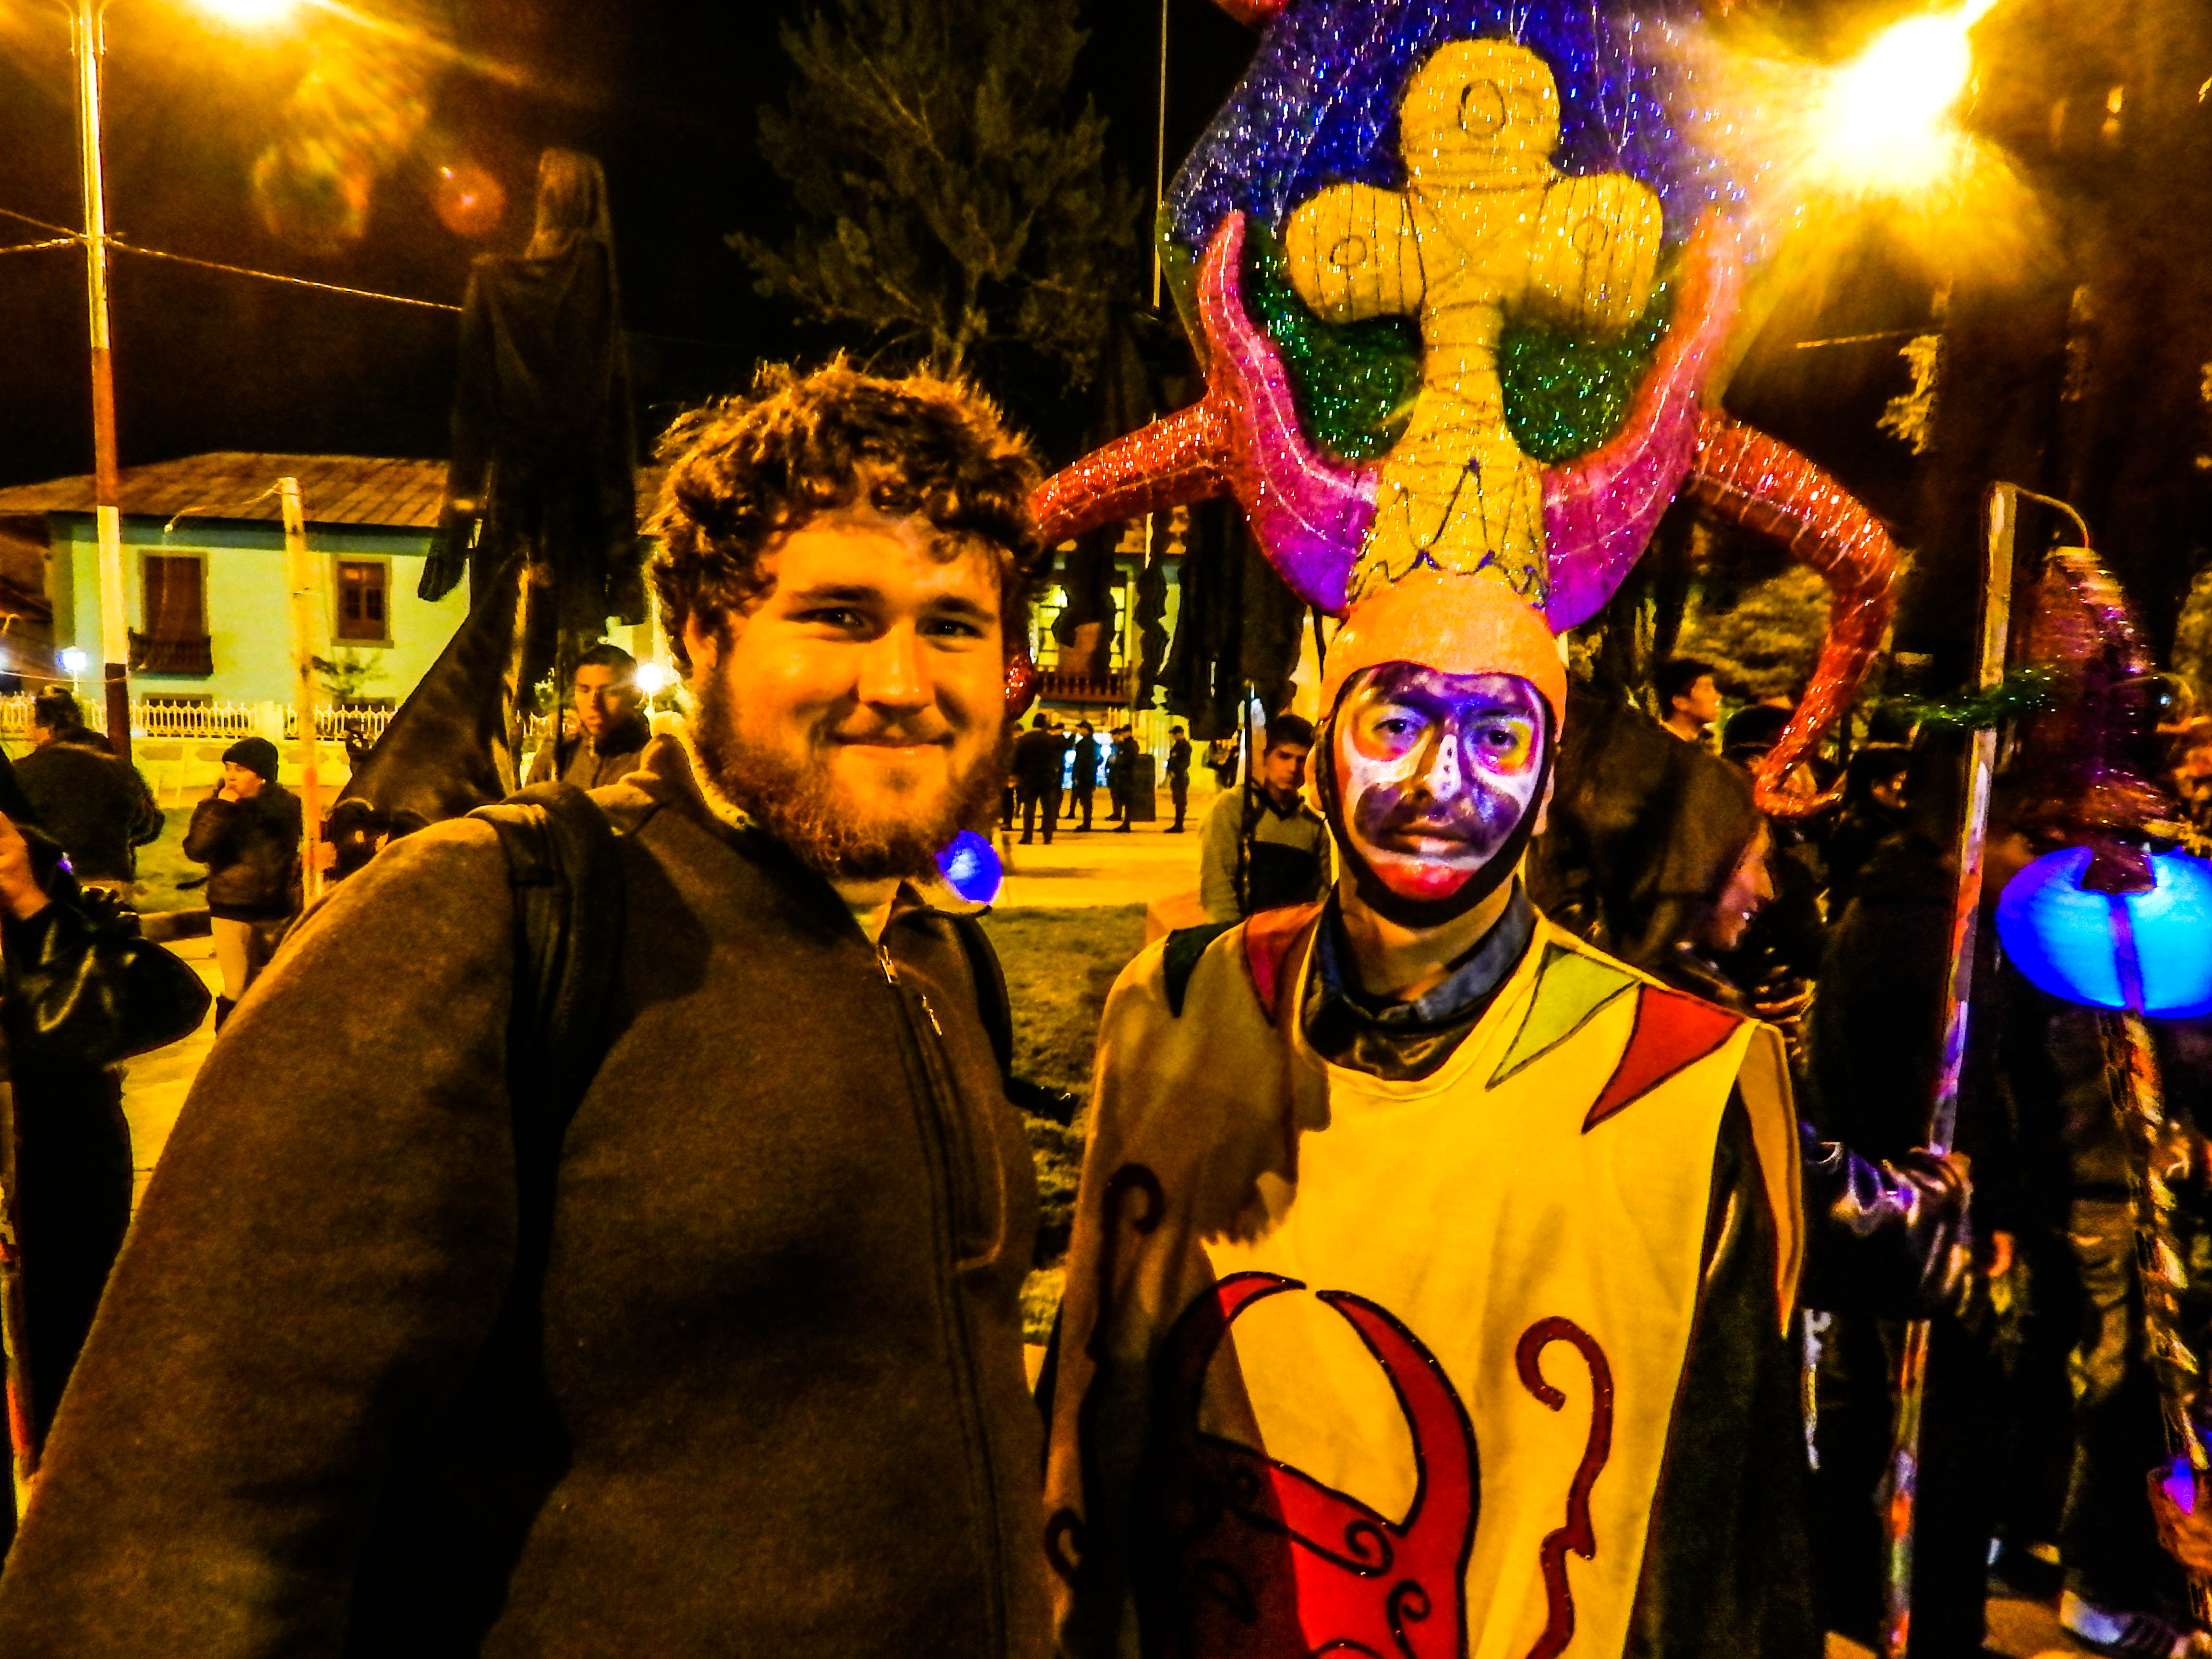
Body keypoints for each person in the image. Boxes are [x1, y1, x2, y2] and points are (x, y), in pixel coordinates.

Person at [0, 362, 1055, 1657]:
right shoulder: (490, 917)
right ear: (701, 635)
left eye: (953, 624)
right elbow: (160, 1548)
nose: (902, 679)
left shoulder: (938, 959)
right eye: (839, 615)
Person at [1042, 566, 1966, 1659]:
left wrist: (1936, 1220)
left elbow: (1714, 1534)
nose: (1439, 781)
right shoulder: (1182, 1008)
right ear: (1327, 745)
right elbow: (1097, 1391)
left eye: (1496, 736)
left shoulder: (1678, 1075)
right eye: (1395, 724)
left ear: (1548, 777)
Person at [181, 736, 301, 1028]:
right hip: (231, 909)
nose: (231, 776)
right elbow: (196, 850)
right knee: (236, 987)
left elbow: (291, 851)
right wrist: (222, 809)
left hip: (276, 912)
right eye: (228, 768)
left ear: (262, 775)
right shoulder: (214, 808)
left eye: (241, 769)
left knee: (272, 985)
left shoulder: (286, 806)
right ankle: (227, 1043)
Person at [11, 690, 162, 898]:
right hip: (109, 880)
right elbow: (149, 825)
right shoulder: (117, 766)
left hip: (45, 884)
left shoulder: (21, 772)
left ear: (45, 728)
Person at [1196, 713, 1327, 919]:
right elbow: (1217, 884)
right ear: (1265, 756)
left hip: (1294, 934)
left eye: (1301, 760)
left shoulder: (1314, 827)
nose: (1293, 768)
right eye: (1284, 756)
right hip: (1241, 931)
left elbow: (1322, 896)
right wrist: (1233, 934)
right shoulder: (1234, 808)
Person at [523, 641, 653, 789]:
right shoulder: (556, 758)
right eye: (584, 691)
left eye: (610, 692)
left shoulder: (652, 760)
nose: (594, 703)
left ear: (635, 695)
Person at [1012, 713, 1061, 844]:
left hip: (1029, 777)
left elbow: (1018, 758)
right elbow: (1056, 757)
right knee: (1048, 808)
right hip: (1047, 777)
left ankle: (1028, 837)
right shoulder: (1051, 740)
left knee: (1029, 807)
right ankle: (1048, 837)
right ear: (1044, 725)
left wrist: (1016, 774)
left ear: (1033, 724)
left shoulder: (1025, 739)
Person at [1657, 655, 1722, 745]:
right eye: (1706, 689)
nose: (1717, 697)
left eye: (1714, 689)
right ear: (1680, 702)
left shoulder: (1701, 749)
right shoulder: (1656, 745)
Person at [1067, 720, 1099, 831]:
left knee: (1085, 801)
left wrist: (1077, 776)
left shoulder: (1084, 744)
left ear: (1086, 730)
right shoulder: (1094, 743)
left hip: (1084, 777)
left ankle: (1086, 825)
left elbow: (1081, 761)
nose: (1079, 730)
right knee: (1087, 801)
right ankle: (1087, 823)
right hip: (1090, 776)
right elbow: (1098, 759)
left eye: (1080, 728)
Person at [1165, 725, 1192, 832]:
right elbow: (1172, 760)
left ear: (1180, 734)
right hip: (1176, 777)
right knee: (1177, 801)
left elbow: (1185, 762)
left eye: (1174, 734)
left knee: (1181, 802)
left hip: (1181, 777)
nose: (1173, 736)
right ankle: (1177, 824)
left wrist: (1176, 772)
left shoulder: (1185, 746)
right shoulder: (1177, 746)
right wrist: (1170, 770)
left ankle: (1180, 825)